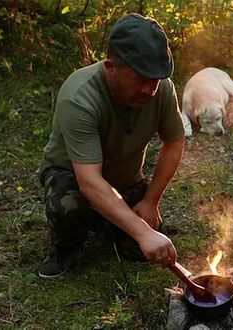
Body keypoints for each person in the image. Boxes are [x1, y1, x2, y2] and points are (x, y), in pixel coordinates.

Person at [38, 13, 185, 278]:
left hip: (124, 180)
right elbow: (90, 181)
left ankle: (106, 218)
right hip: (73, 176)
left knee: (142, 250)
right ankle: (68, 245)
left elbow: (174, 142)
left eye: (156, 79)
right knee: (68, 206)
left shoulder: (162, 90)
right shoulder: (80, 97)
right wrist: (142, 231)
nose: (150, 90)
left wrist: (151, 202)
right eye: (141, 79)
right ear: (110, 67)